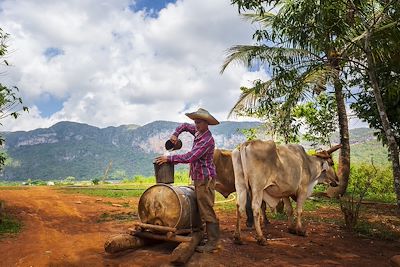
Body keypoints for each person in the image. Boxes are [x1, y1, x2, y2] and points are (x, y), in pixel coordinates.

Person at [155, 108, 220, 253]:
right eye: (195, 122)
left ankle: (213, 242)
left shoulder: (207, 140)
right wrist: (175, 134)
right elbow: (184, 125)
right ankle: (205, 235)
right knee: (200, 206)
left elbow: (191, 156)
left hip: (205, 178)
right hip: (198, 176)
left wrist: (169, 158)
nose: (196, 125)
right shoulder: (198, 132)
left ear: (206, 123)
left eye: (199, 122)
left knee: (206, 209)